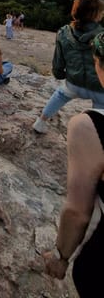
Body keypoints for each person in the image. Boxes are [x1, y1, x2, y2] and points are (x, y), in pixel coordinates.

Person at [43, 31, 104, 296]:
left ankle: (41, 119)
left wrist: (61, 256)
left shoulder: (89, 126)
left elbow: (78, 211)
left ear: (99, 64)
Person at [33, 0, 104, 134]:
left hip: (74, 83)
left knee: (60, 94)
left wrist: (60, 74)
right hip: (99, 87)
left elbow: (58, 61)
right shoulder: (102, 36)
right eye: (101, 11)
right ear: (95, 14)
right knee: (100, 109)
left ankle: (40, 122)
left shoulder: (64, 32)